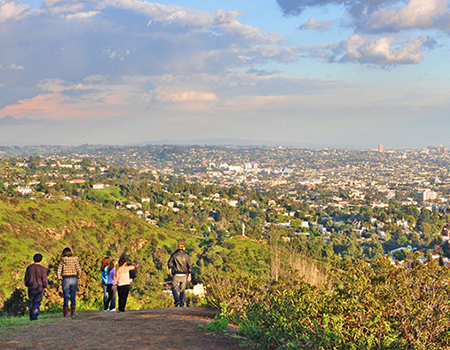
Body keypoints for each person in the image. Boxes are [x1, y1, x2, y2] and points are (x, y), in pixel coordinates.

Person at [57, 247, 82, 318]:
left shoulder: (62, 261)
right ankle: (73, 313)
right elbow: (79, 270)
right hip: (74, 278)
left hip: (65, 279)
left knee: (66, 297)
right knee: (73, 296)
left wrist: (59, 278)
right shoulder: (75, 260)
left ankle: (65, 314)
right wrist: (78, 276)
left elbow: (59, 271)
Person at [167, 240, 192, 307]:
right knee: (182, 290)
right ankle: (182, 304)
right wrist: (189, 274)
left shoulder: (174, 254)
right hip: (184, 274)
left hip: (176, 274)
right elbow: (189, 266)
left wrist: (170, 269)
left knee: (174, 288)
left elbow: (169, 263)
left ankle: (177, 299)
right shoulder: (186, 255)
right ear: (184, 247)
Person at [24, 253, 48, 321]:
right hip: (39, 288)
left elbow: (26, 279)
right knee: (37, 303)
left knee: (31, 303)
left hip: (31, 288)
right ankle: (35, 317)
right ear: (41, 260)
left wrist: (27, 285)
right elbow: (44, 280)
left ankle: (31, 317)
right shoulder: (42, 269)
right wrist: (45, 286)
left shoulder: (29, 268)